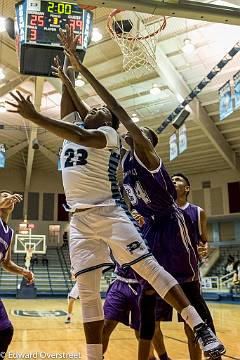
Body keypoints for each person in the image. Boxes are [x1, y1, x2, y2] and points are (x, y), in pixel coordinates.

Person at [6, 26, 225, 360]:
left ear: (110, 123)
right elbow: (75, 114)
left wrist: (36, 116)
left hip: (108, 211)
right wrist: (68, 75)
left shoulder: (107, 135)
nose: (94, 111)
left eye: (101, 112)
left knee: (151, 269)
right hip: (78, 221)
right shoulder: (79, 128)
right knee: (89, 293)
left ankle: (200, 327)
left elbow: (84, 128)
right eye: (90, 111)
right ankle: (95, 356)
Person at [152, 173, 221, 360]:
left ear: (187, 188)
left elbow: (203, 242)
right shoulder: (160, 210)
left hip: (187, 275)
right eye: (171, 179)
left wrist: (204, 249)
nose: (173, 181)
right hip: (161, 274)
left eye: (178, 180)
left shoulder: (197, 212)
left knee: (192, 326)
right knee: (152, 323)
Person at [0, 191, 34, 358]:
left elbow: (5, 263)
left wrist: (23, 271)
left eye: (9, 196)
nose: (8, 198)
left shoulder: (10, 233)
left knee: (5, 331)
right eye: (3, 195)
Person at [103, 263, 156, 360]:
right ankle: (96, 356)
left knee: (141, 331)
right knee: (105, 325)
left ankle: (151, 358)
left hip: (142, 285)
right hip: (119, 282)